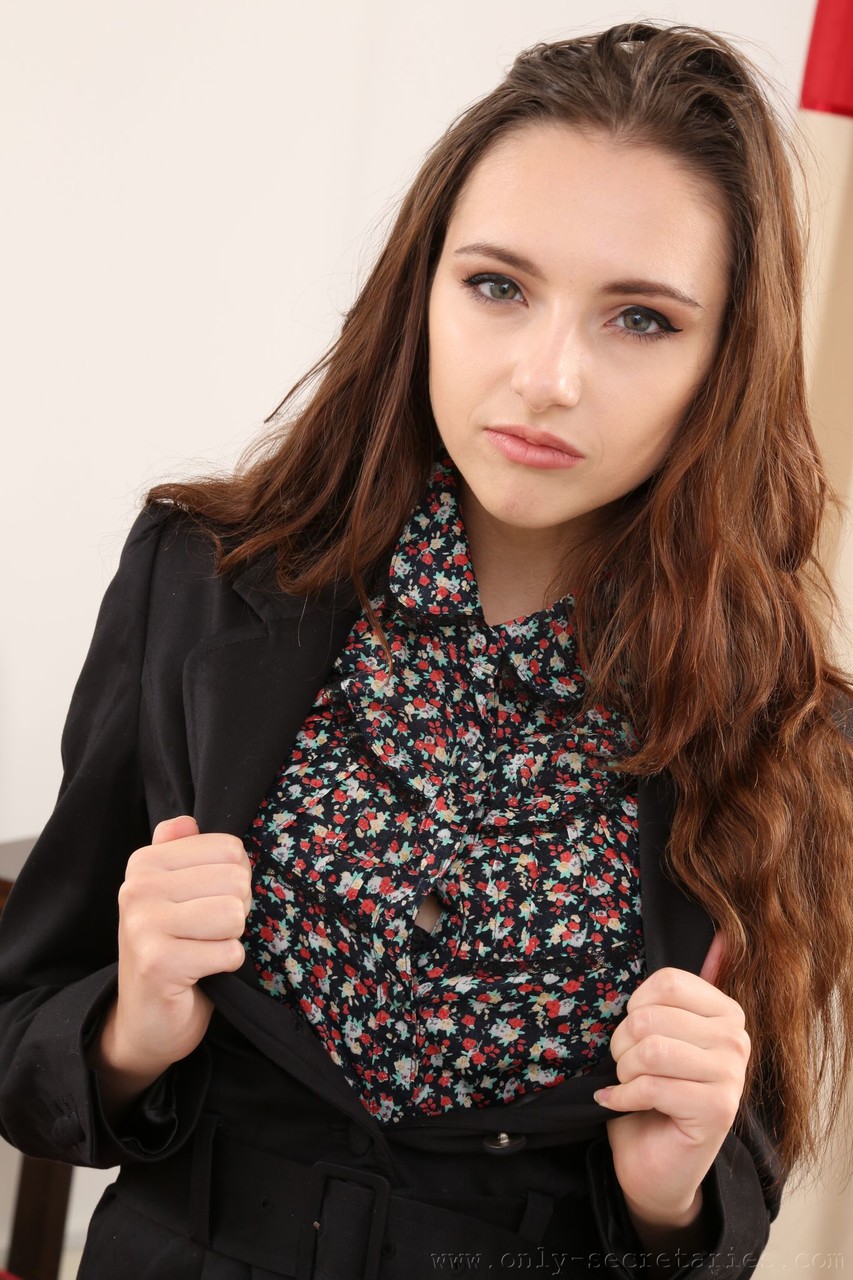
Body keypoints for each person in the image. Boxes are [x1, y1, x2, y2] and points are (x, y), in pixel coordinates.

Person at [1, 20, 851, 1280]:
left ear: (723, 364)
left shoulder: (788, 731)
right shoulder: (202, 582)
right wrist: (132, 1026)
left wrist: (672, 1192)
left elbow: (723, 1215)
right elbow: (23, 1034)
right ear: (424, 289)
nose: (547, 376)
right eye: (498, 285)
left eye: (640, 318)